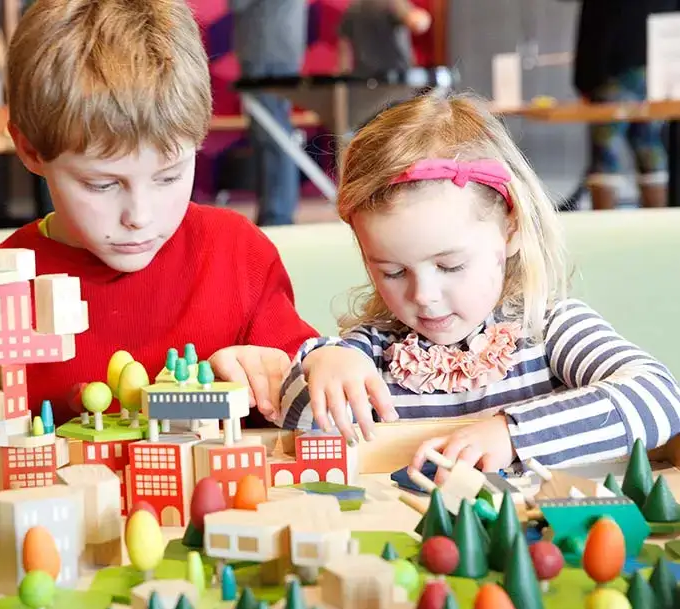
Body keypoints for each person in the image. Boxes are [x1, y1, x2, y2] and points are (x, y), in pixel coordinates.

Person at [0, 0, 318, 445]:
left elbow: (311, 405)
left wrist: (306, 377)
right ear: (30, 149)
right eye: (101, 184)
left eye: (168, 176)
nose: (139, 216)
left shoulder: (239, 255)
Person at [270, 92, 680, 480]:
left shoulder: (549, 329)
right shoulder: (373, 353)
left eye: (450, 265)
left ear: (511, 228)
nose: (423, 295)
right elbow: (300, 423)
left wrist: (513, 434)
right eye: (394, 272)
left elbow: (660, 397)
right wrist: (321, 360)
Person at [572, 0, 678, 209]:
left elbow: (594, 28)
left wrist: (584, 80)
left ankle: (603, 229)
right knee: (650, 148)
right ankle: (660, 228)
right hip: (655, 72)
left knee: (606, 153)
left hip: (613, 73)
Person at [229, 0, 308, 227]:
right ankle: (274, 211)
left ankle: (277, 214)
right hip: (279, 49)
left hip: (265, 49)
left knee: (272, 135)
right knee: (273, 132)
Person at [338, 0, 432, 77]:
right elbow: (416, 23)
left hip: (364, 80)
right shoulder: (393, 3)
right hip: (397, 78)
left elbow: (344, 43)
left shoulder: (353, 7)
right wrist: (423, 18)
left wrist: (344, 73)